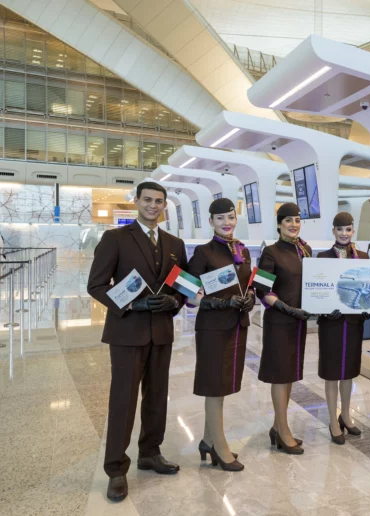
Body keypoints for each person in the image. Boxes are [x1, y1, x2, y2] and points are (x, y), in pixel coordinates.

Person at [87, 181, 186, 501]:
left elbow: (181, 285)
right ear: (137, 202)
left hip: (161, 332)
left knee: (157, 397)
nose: (153, 206)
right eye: (148, 200)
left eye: (159, 201)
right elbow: (97, 285)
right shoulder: (115, 238)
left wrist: (176, 303)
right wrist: (131, 303)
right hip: (127, 331)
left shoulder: (175, 243)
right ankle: (116, 469)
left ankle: (149, 453)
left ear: (165, 206)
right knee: (123, 400)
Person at [186, 198, 254, 471]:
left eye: (231, 217)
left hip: (237, 325)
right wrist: (212, 302)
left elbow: (248, 281)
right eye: (220, 218)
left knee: (223, 384)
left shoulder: (242, 250)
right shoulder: (203, 252)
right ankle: (218, 445)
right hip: (213, 328)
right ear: (211, 221)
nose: (227, 222)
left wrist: (250, 296)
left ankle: (206, 439)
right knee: (215, 385)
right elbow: (187, 291)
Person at [256, 203, 312, 455]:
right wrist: (287, 309)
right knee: (280, 374)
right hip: (280, 321)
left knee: (289, 374)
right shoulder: (271, 252)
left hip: (298, 322)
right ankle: (283, 430)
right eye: (288, 220)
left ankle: (277, 426)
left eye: (297, 220)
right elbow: (262, 290)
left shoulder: (305, 250)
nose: (293, 224)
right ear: (279, 223)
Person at [316, 212, 370, 444]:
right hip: (331, 323)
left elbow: (369, 288)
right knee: (331, 372)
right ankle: (332, 420)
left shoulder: (363, 257)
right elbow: (316, 292)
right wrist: (324, 308)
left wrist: (369, 306)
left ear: (352, 231)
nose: (344, 234)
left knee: (349, 371)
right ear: (333, 231)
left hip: (353, 323)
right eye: (340, 229)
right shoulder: (322, 257)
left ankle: (346, 416)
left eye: (348, 229)